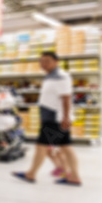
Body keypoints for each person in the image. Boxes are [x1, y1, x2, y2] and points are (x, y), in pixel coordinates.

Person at [13, 51, 81, 186]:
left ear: (56, 62)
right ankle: (74, 176)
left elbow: (66, 98)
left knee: (41, 146)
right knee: (66, 147)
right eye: (41, 61)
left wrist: (65, 117)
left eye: (47, 61)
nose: (43, 64)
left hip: (55, 118)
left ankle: (31, 174)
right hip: (52, 117)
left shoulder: (61, 76)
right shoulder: (50, 76)